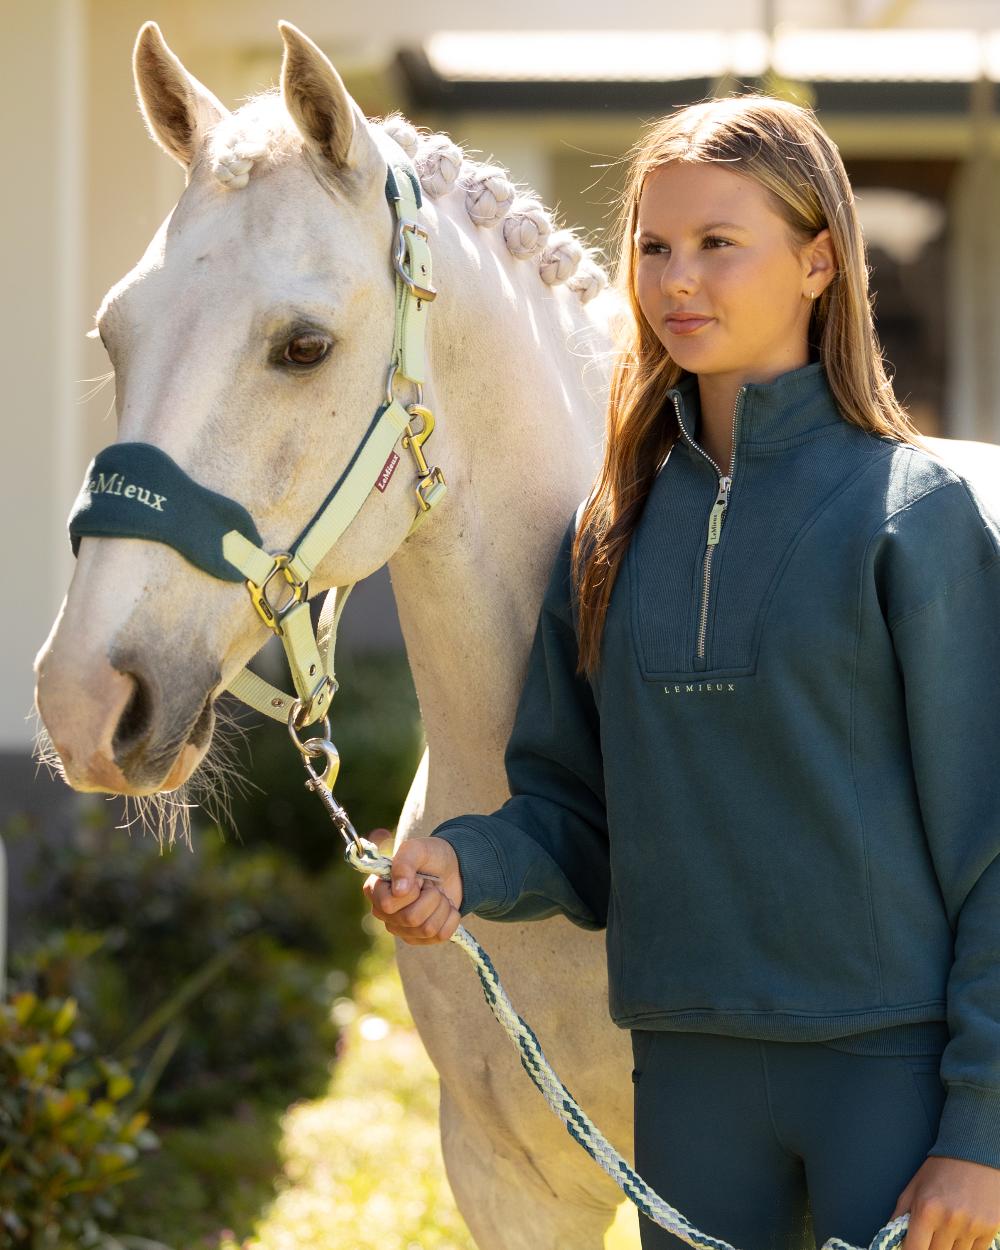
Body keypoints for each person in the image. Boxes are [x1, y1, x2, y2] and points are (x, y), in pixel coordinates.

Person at [364, 94, 1000, 1250]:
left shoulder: (916, 513)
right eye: (654, 247)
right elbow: (573, 811)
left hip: (883, 1073)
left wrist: (982, 1128)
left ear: (818, 262)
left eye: (718, 243)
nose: (675, 280)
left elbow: (989, 843)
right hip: (687, 1075)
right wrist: (464, 860)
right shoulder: (612, 528)